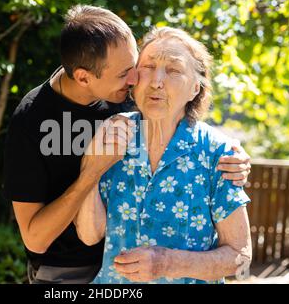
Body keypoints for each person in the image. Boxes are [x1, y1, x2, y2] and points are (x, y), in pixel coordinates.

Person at [3, 5, 251, 284]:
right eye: (133, 72)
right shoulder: (38, 120)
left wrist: (233, 156)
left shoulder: (135, 98)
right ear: (84, 78)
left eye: (136, 67)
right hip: (66, 268)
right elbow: (42, 238)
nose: (140, 81)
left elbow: (240, 255)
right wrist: (92, 170)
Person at [75, 26, 252, 284]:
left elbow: (240, 257)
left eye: (173, 70)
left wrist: (167, 262)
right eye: (147, 67)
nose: (156, 81)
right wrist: (90, 163)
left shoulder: (218, 152)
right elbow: (90, 235)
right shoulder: (113, 134)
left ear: (195, 88)